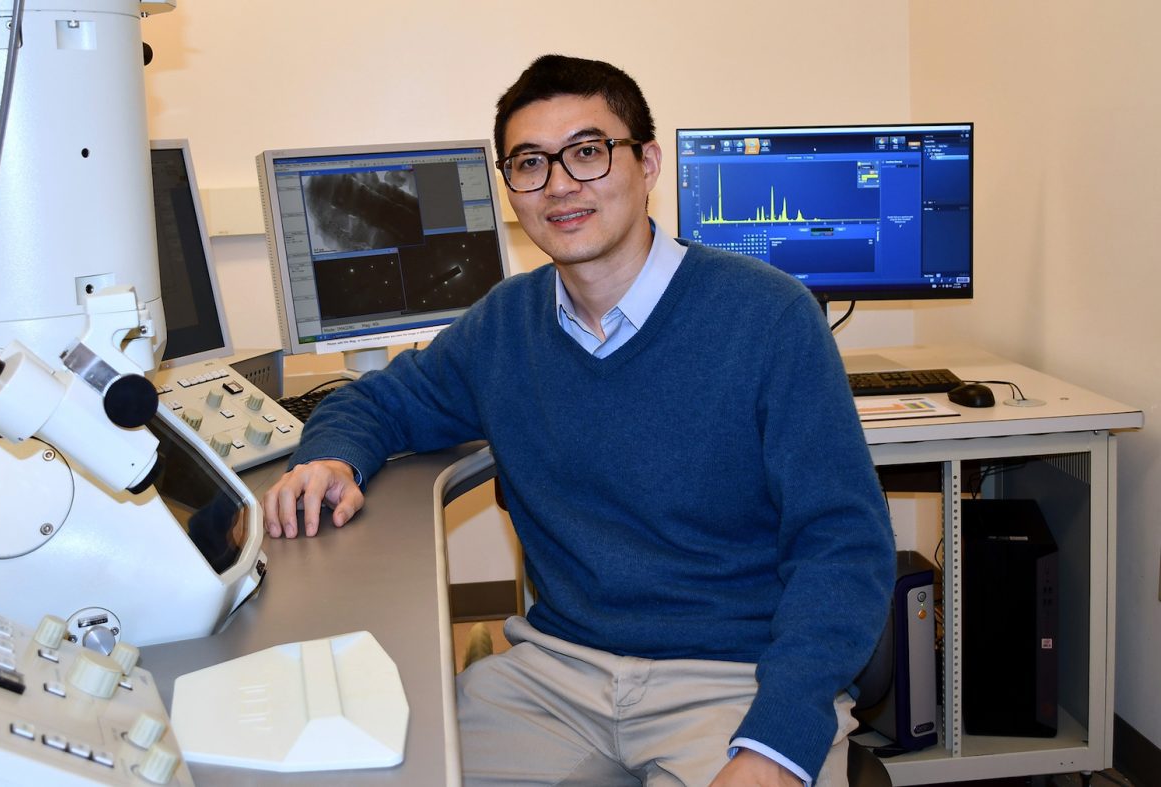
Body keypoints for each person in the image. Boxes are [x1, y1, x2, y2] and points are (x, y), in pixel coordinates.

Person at [264, 54, 895, 787]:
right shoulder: (505, 324)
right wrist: (332, 457)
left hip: (732, 678)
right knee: (379, 772)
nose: (560, 183)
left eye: (588, 152)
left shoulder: (769, 315)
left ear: (647, 162)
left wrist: (779, 738)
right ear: (512, 190)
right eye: (531, 162)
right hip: (555, 677)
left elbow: (843, 545)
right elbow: (374, 401)